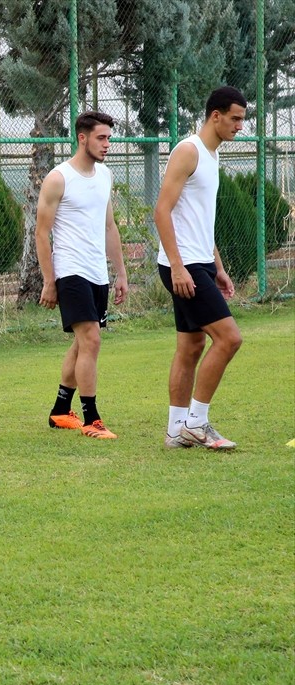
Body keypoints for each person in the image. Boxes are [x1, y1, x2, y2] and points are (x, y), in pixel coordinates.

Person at [154, 86, 247, 450]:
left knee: (191, 346)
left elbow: (199, 221)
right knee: (229, 338)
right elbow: (161, 211)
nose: (240, 126)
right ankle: (197, 422)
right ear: (215, 116)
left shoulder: (211, 155)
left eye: (242, 119)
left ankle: (176, 432)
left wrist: (218, 267)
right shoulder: (188, 151)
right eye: (235, 118)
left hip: (200, 263)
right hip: (184, 266)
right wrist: (178, 268)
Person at [37, 111, 128, 439]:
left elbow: (109, 226)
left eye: (109, 138)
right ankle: (92, 419)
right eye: (101, 138)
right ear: (82, 138)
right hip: (70, 271)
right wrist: (50, 280)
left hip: (96, 273)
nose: (107, 144)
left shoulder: (105, 176)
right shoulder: (59, 178)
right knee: (91, 339)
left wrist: (120, 273)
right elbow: (41, 233)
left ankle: (61, 411)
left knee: (82, 343)